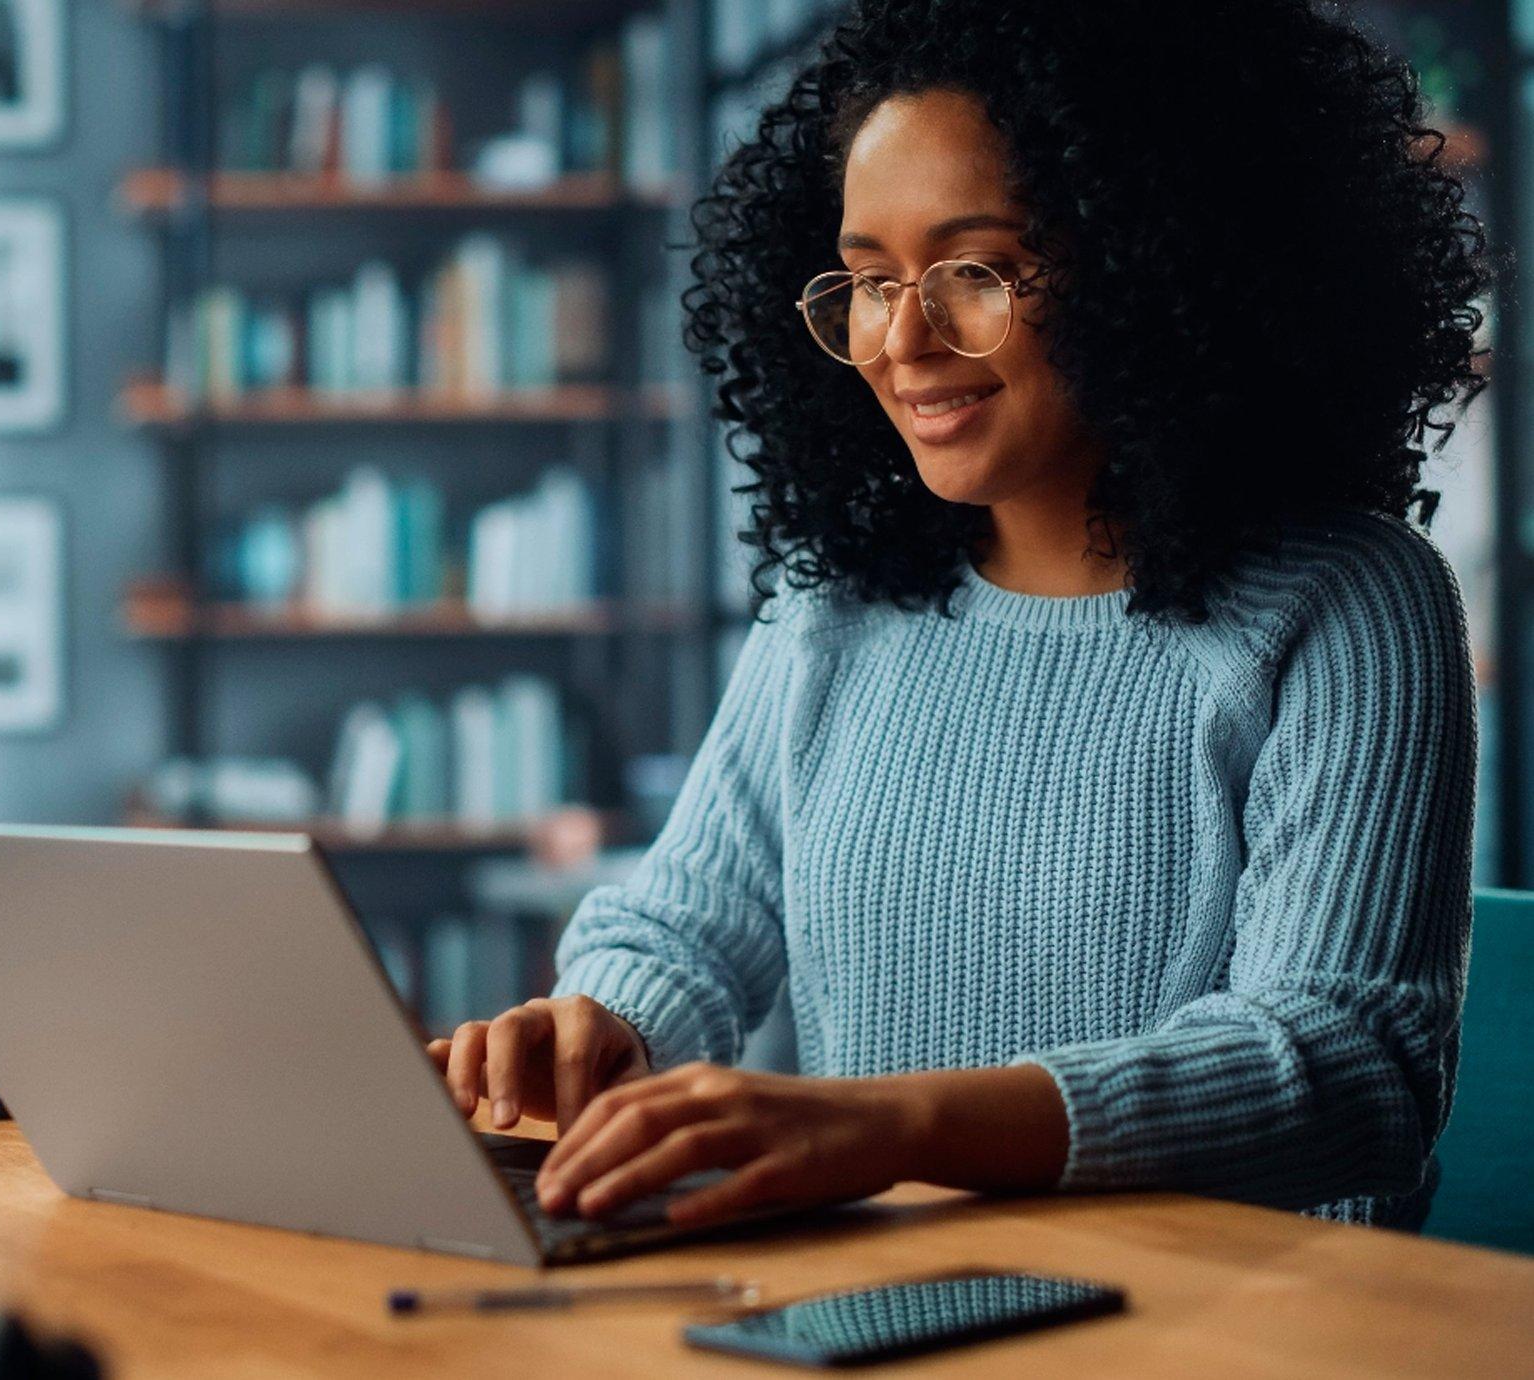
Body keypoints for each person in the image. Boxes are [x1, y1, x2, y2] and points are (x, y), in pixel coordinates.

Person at [427, 0, 1487, 1233]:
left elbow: (1347, 1066)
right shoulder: (834, 609)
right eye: (870, 282)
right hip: (874, 1306)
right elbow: (684, 928)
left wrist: (895, 1128)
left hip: (1217, 1320)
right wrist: (603, 1024)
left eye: (975, 271)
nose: (904, 339)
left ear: (1155, 264)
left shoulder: (1347, 605)